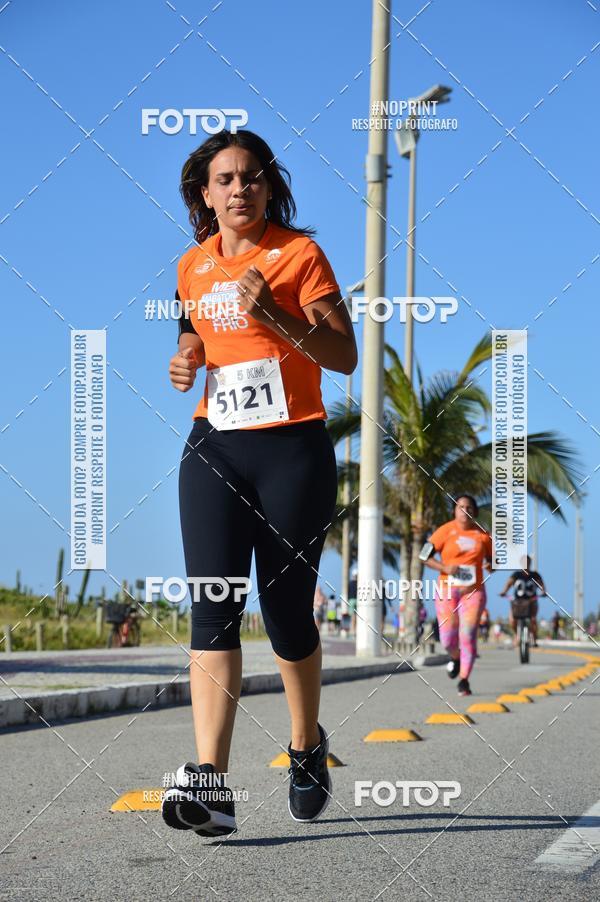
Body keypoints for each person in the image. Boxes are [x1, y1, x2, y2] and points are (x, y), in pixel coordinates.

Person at [162, 129, 357, 837]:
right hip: (214, 447)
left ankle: (306, 746)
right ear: (203, 195)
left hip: (293, 452)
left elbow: (345, 357)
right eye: (224, 179)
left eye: (251, 177)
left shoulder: (300, 256)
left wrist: (272, 311)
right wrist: (186, 357)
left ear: (269, 188)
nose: (238, 188)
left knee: (286, 615)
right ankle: (210, 783)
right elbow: (193, 330)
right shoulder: (192, 264)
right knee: (213, 606)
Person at [423, 494, 493, 696]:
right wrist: (444, 566)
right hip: (447, 589)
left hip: (473, 591)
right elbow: (423, 555)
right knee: (447, 639)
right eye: (460, 506)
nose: (465, 510)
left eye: (469, 507)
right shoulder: (444, 531)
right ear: (454, 510)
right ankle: (455, 657)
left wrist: (490, 565)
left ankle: (464, 680)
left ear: (475, 512)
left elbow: (494, 562)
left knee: (468, 635)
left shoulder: (483, 535)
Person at [499, 555, 546, 647]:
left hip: (531, 601)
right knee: (512, 620)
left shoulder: (535, 575)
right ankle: (517, 634)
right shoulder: (516, 575)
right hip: (517, 602)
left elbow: (542, 585)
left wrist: (543, 592)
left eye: (528, 562)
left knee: (533, 620)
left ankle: (534, 639)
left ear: (530, 563)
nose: (526, 564)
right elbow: (509, 584)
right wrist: (504, 592)